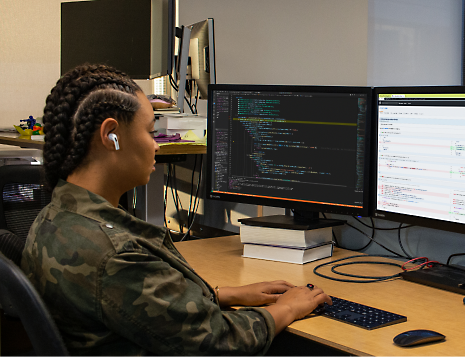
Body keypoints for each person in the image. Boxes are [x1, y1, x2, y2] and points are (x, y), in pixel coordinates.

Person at [20, 64, 331, 356]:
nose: (156, 145)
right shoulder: (115, 253)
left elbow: (127, 302)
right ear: (110, 136)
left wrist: (222, 294)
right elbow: (217, 340)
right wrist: (289, 306)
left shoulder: (56, 217)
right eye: (150, 132)